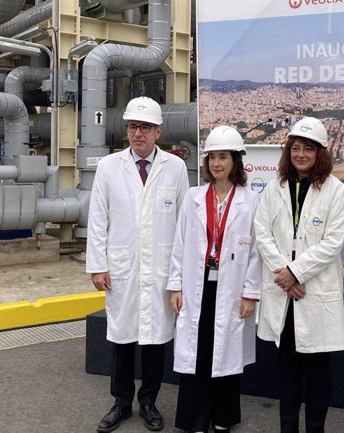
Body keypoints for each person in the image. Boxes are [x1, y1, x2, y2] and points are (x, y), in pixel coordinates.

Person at [87, 96, 189, 433]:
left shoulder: (174, 168)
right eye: (132, 126)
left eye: (144, 127)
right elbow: (98, 218)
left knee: (155, 340)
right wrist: (97, 265)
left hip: (160, 269)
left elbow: (182, 222)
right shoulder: (109, 166)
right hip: (122, 267)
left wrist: (179, 275)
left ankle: (149, 402)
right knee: (122, 338)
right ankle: (121, 402)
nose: (137, 133)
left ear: (158, 131)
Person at [254, 116, 344, 433]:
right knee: (288, 373)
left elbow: (333, 242)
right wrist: (285, 276)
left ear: (319, 153)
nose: (301, 155)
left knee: (318, 376)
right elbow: (262, 232)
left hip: (314, 292)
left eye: (308, 149)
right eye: (295, 148)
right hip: (285, 293)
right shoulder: (274, 187)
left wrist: (296, 272)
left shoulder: (335, 191)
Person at [167, 125, 261, 433]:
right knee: (198, 351)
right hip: (198, 285)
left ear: (236, 161)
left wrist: (250, 293)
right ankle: (195, 420)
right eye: (212, 158)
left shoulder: (251, 201)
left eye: (223, 157)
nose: (216, 164)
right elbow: (179, 245)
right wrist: (176, 285)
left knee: (225, 353)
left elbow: (257, 253)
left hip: (231, 288)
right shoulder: (194, 197)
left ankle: (223, 418)